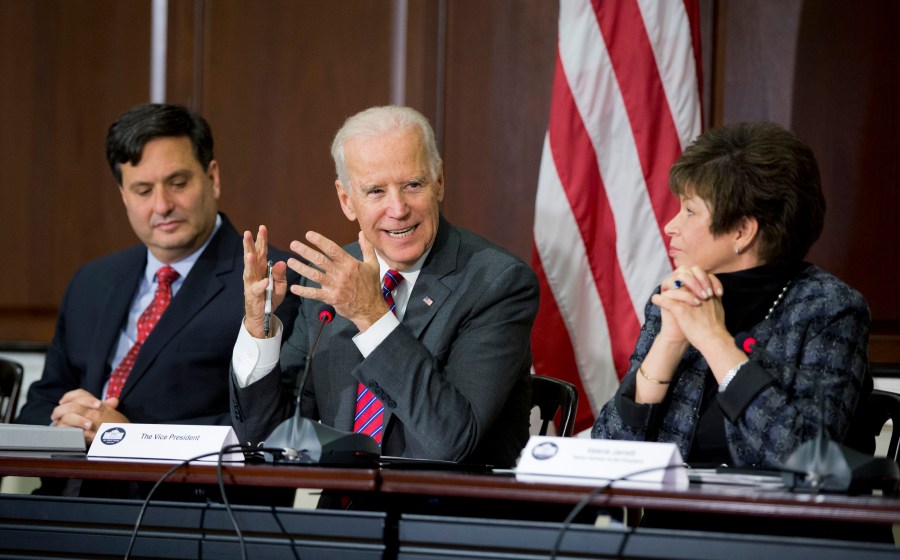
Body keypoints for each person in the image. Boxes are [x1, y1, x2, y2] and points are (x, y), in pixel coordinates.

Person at [592, 122, 877, 539]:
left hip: (781, 540)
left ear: (742, 231)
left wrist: (713, 340)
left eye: (690, 211)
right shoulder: (677, 296)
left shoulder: (829, 309)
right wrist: (669, 342)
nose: (671, 226)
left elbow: (806, 457)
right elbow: (608, 452)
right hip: (672, 533)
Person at [230, 105, 538, 469]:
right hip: (343, 512)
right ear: (347, 200)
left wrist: (371, 315)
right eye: (376, 191)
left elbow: (451, 443)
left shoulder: (497, 283)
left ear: (438, 182)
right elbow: (267, 438)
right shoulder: (330, 278)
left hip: (446, 515)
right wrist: (259, 327)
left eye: (413, 185)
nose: (398, 208)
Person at [17, 103, 299, 446]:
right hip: (70, 488)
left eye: (177, 183)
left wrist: (128, 439)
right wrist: (64, 425)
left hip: (181, 494)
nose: (162, 205)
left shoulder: (272, 283)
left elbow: (269, 428)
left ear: (213, 178)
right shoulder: (90, 282)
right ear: (123, 195)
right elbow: (41, 403)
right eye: (143, 191)